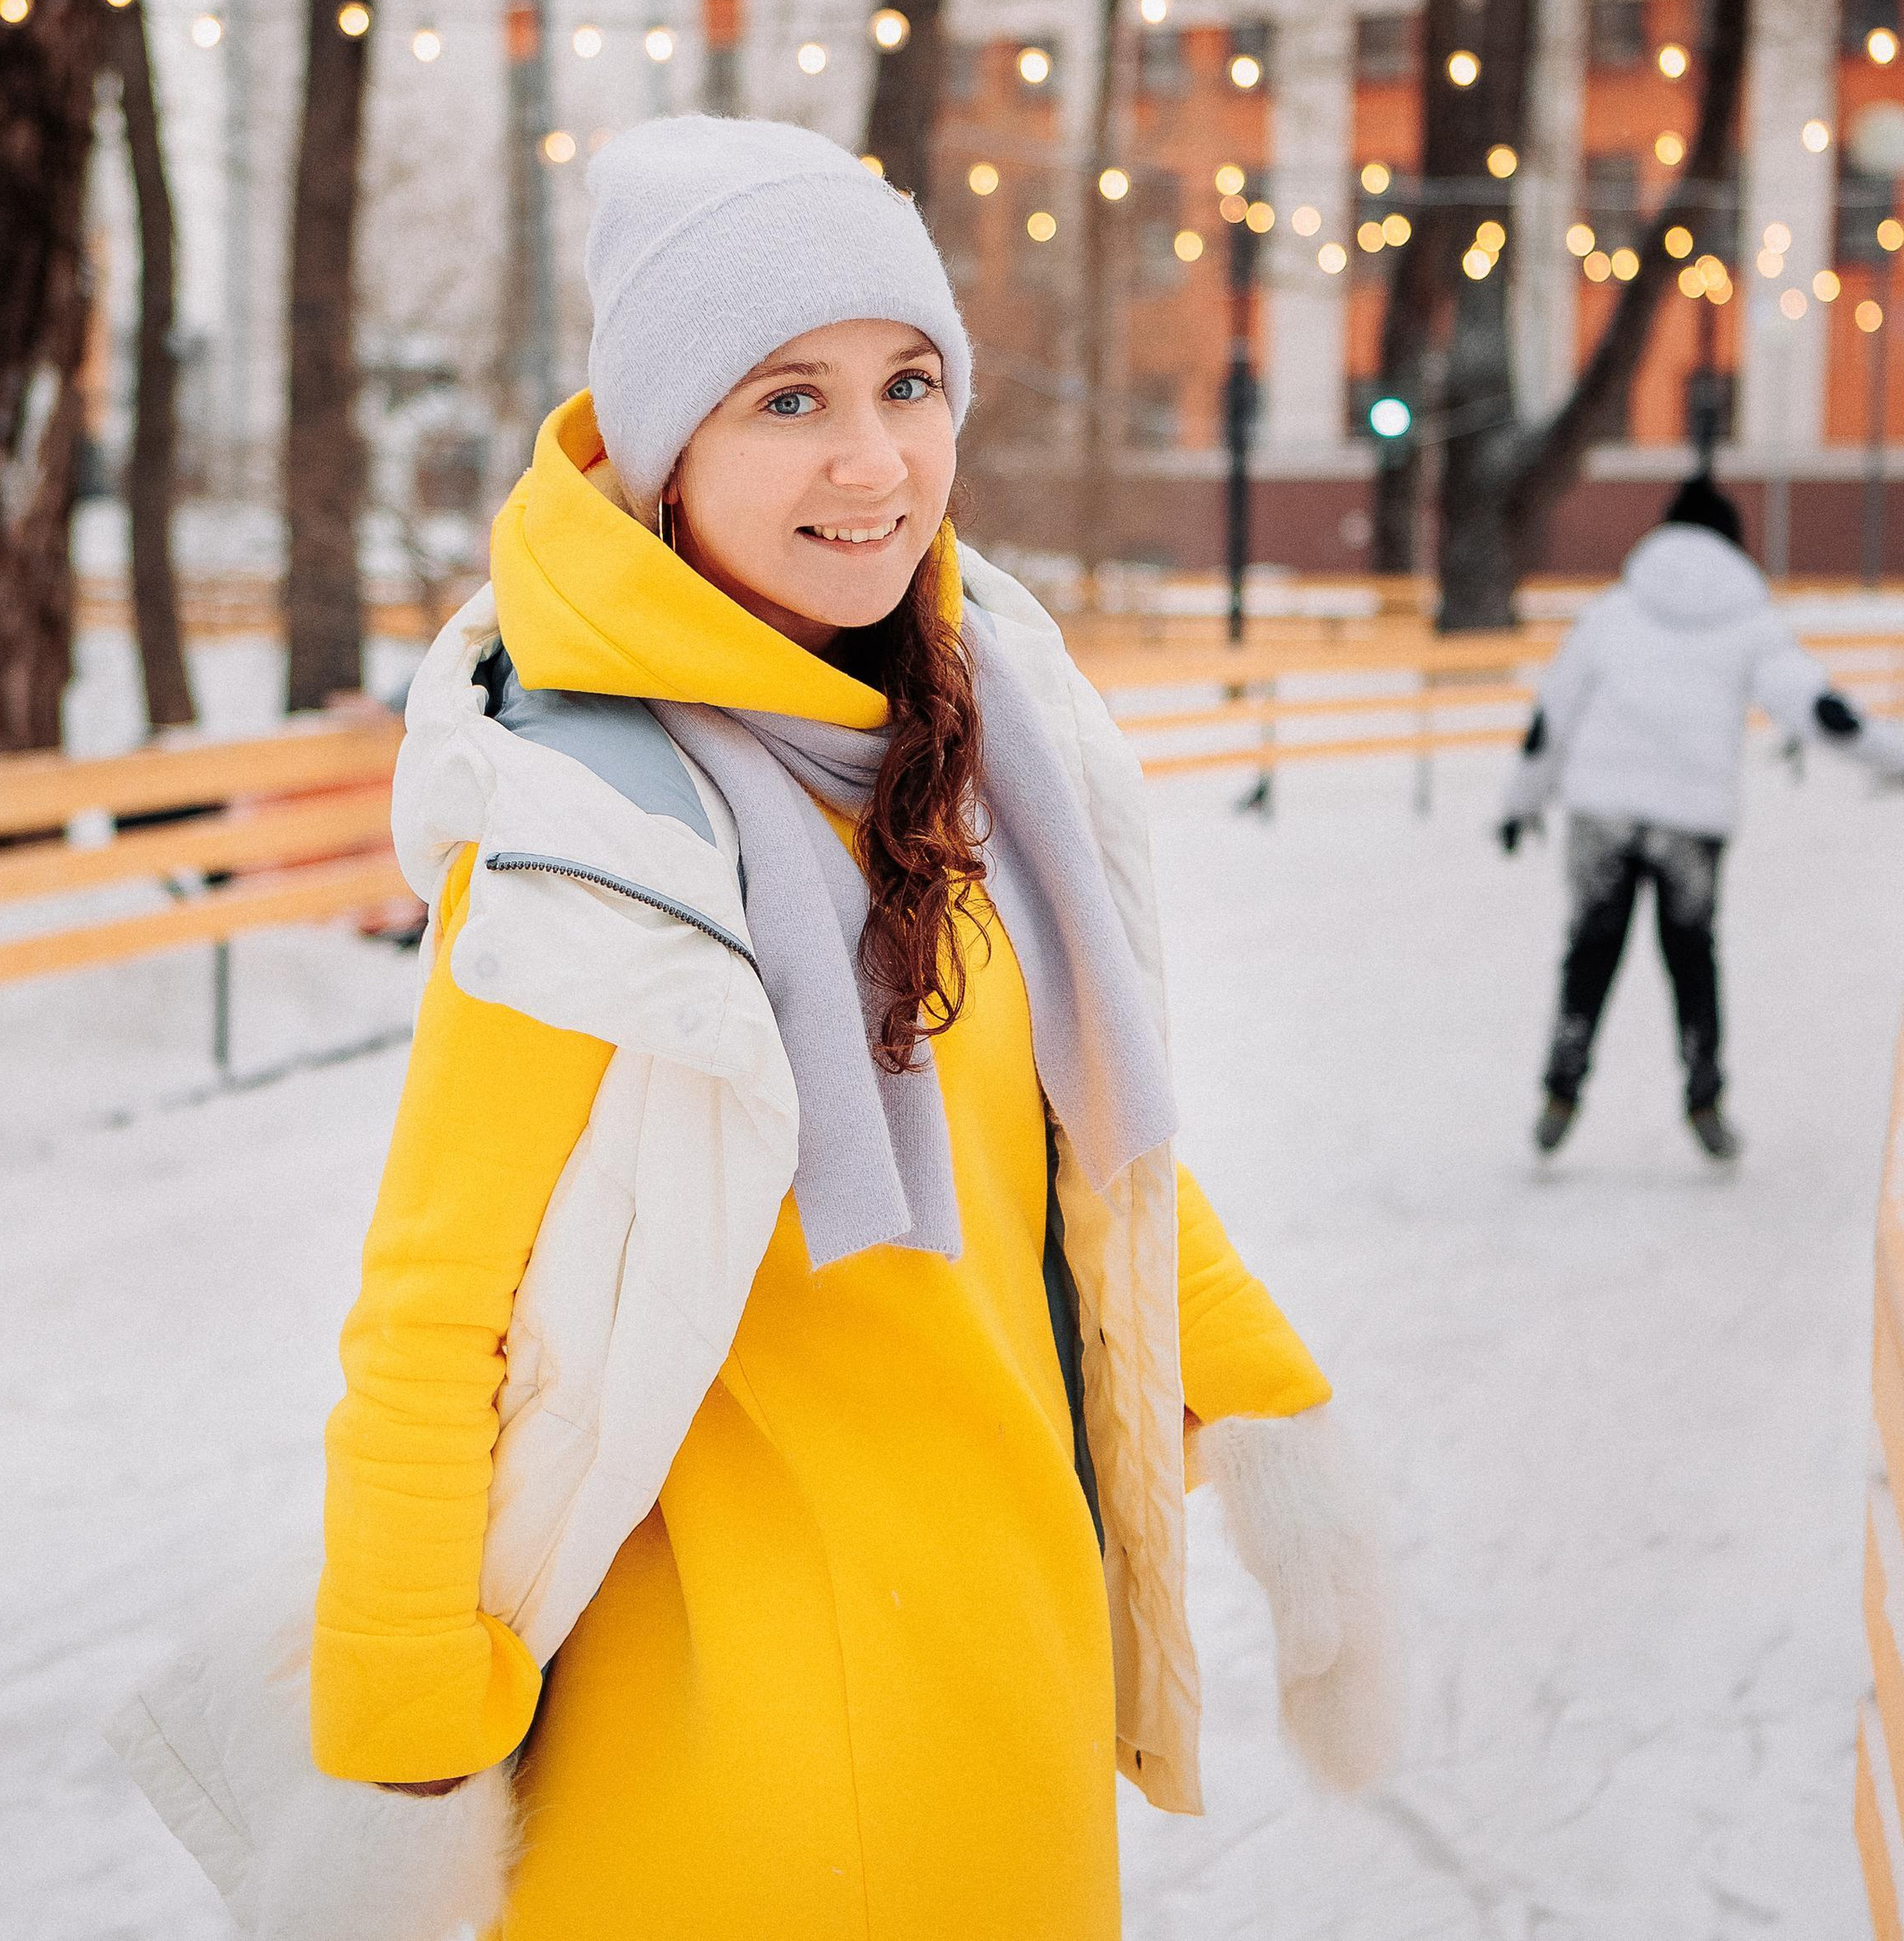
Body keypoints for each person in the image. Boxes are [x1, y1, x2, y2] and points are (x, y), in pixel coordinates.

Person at [108, 117, 1399, 1941]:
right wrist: (398, 1741)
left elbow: (1072, 1132)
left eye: (905, 382)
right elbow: (432, 1307)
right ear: (663, 454)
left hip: (1002, 1655)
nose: (871, 461)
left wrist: (1265, 1401)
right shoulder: (591, 828)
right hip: (735, 1714)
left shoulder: (968, 746)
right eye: (782, 399)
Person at [1499, 476, 1904, 1161]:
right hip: (1690, 820)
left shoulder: (1612, 612)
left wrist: (1520, 802)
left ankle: (1561, 1089)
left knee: (1590, 953)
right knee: (1691, 959)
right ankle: (1705, 1095)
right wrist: (1892, 753)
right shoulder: (1751, 622)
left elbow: (1551, 719)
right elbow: (1818, 711)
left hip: (1601, 810)